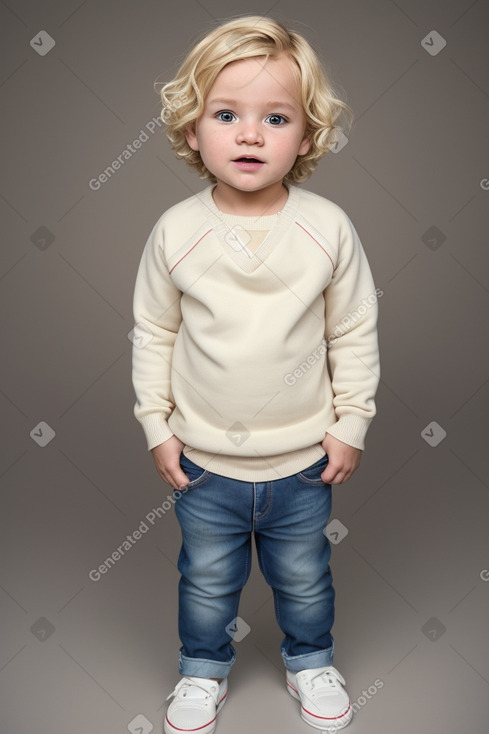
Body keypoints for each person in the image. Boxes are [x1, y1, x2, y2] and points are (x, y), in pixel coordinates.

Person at [131, 15, 380, 734]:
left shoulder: (326, 227)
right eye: (226, 115)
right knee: (207, 583)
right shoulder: (176, 232)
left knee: (303, 579)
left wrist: (350, 422)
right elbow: (154, 332)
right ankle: (201, 671)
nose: (248, 135)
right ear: (191, 131)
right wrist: (156, 426)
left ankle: (310, 660)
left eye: (274, 117)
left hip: (302, 463)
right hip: (204, 466)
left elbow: (352, 329)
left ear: (305, 137)